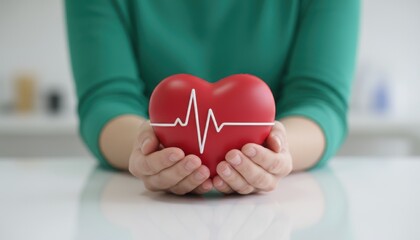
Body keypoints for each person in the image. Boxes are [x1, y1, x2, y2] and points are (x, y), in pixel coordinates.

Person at [66, 0, 359, 195]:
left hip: (281, 209)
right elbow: (104, 100)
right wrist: (147, 150)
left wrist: (276, 153)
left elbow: (321, 101)